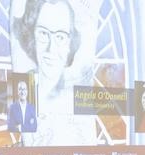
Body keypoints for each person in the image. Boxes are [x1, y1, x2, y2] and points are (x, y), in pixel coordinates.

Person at [12, 0, 96, 145]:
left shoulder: (80, 93)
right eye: (43, 33)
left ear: (70, 43)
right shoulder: (24, 88)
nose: (51, 49)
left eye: (60, 37)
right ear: (32, 37)